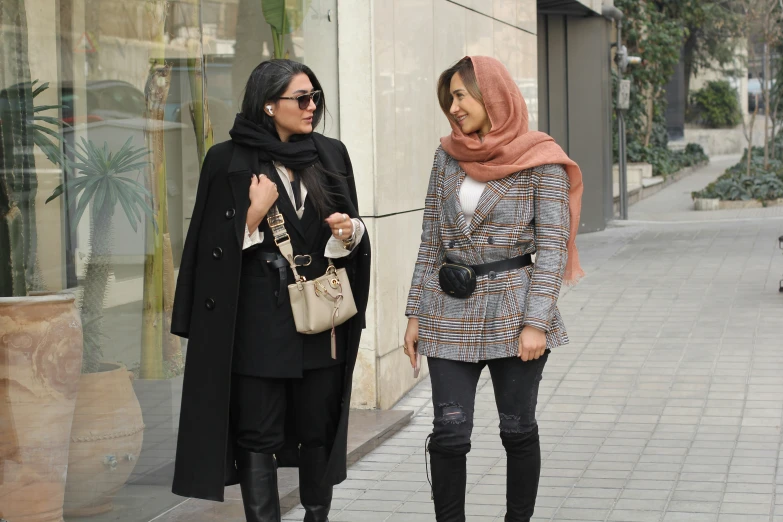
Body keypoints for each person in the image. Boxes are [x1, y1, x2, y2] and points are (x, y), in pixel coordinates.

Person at [170, 59, 371, 522]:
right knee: (257, 436)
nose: (312, 106)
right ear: (267, 104)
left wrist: (349, 233)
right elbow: (207, 248)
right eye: (301, 98)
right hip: (257, 325)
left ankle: (316, 516)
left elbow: (353, 230)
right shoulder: (227, 161)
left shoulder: (330, 153)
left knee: (317, 430)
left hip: (320, 319)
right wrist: (251, 217)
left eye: (315, 96)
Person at [403, 56, 584, 522]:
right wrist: (415, 311)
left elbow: (552, 247)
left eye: (461, 95)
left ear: (493, 95)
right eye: (450, 98)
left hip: (513, 309)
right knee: (449, 431)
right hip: (447, 307)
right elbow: (431, 241)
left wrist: (536, 323)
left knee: (517, 429)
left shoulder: (540, 158)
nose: (453, 106)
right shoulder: (446, 155)